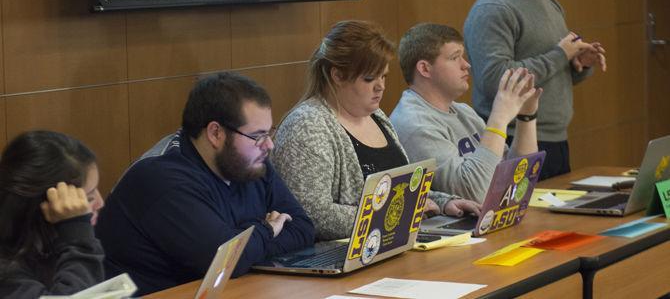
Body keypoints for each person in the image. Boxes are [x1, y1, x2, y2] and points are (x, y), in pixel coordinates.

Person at [95, 72, 315, 296]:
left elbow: (303, 228)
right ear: (215, 133)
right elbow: (226, 263)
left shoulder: (252, 164)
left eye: (270, 133)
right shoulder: (161, 178)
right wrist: (266, 229)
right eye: (257, 136)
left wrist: (245, 244)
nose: (269, 145)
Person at [271, 20, 480, 241]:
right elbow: (312, 214)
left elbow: (398, 193)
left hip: (388, 245)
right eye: (370, 79)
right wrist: (399, 215)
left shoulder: (376, 116)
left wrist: (442, 202)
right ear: (338, 75)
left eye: (384, 76)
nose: (380, 86)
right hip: (342, 259)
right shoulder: (307, 125)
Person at [464, 0, 606, 179]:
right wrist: (559, 55)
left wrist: (578, 64)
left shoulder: (548, 1)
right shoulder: (492, 9)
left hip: (556, 139)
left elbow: (552, 74)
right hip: (516, 143)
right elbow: (495, 81)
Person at [390, 23, 542, 203]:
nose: (466, 65)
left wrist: (526, 117)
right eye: (455, 57)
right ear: (424, 69)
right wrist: (499, 118)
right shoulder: (414, 124)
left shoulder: (464, 111)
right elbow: (475, 193)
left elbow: (519, 178)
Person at [0, 130, 105, 299]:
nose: (101, 203)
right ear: (47, 206)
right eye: (89, 197)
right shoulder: (6, 269)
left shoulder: (43, 238)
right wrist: (77, 232)